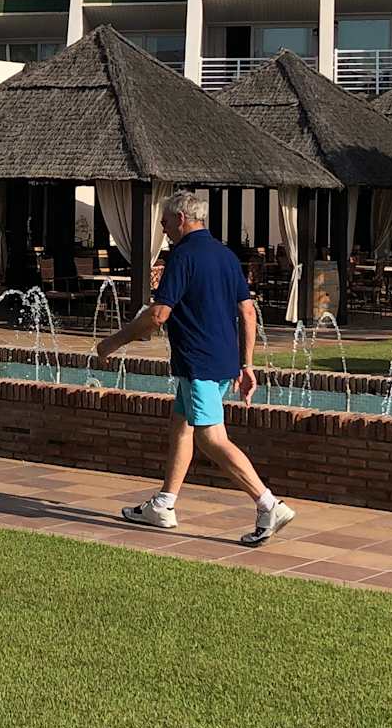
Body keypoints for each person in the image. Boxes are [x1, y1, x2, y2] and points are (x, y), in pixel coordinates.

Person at [95, 189, 295, 546]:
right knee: (181, 425)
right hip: (222, 362)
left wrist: (113, 342)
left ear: (181, 219)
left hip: (198, 363)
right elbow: (248, 312)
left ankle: (269, 504)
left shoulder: (182, 256)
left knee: (211, 438)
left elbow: (159, 314)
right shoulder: (226, 255)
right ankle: (164, 504)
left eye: (165, 221)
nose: (162, 227)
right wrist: (247, 365)